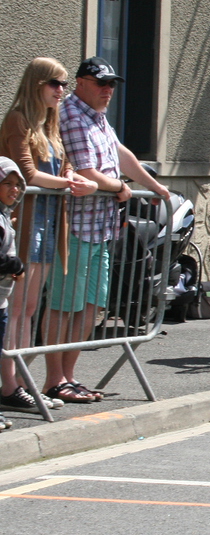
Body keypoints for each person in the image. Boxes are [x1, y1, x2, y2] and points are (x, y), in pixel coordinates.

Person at [44, 57, 169, 402]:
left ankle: (69, 377)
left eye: (112, 84)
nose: (108, 90)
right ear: (81, 83)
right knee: (64, 306)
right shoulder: (72, 114)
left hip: (101, 227)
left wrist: (154, 186)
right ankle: (54, 380)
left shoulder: (97, 116)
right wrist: (120, 187)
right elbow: (87, 171)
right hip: (75, 227)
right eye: (101, 83)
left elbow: (121, 153)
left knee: (89, 307)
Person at [0, 58, 95, 413]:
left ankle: (21, 382)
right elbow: (26, 174)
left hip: (48, 221)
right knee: (17, 309)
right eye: (55, 83)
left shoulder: (50, 124)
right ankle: (10, 385)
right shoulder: (18, 119)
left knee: (28, 309)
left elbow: (65, 165)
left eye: (64, 84)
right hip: (24, 222)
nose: (61, 90)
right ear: (36, 83)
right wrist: (70, 184)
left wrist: (72, 178)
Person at [0, 159, 28, 427]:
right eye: (7, 183)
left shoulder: (5, 217)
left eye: (17, 184)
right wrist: (16, 265)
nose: (14, 189)